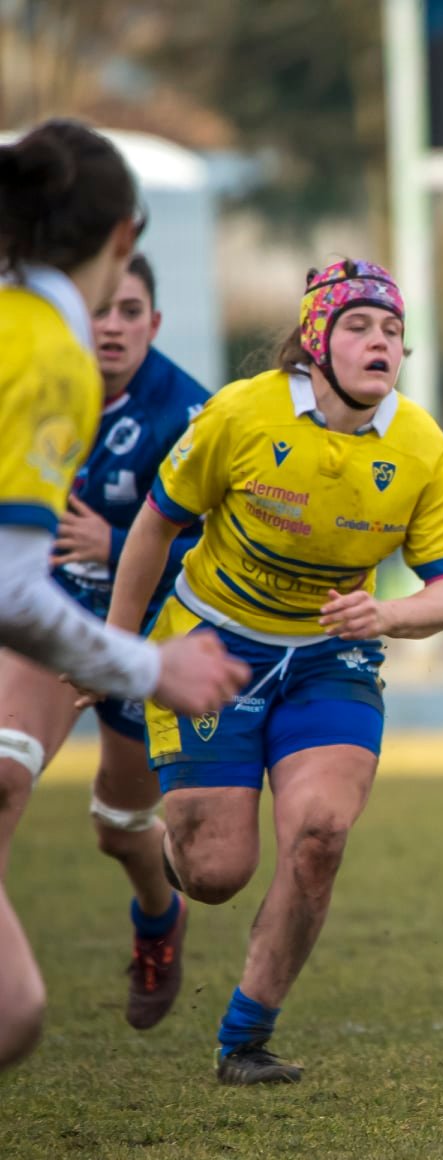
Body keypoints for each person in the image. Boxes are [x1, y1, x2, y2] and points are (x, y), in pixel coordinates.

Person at [104, 259, 443, 1084]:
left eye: (393, 331)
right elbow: (155, 529)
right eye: (359, 327)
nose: (381, 343)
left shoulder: (418, 443)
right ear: (315, 342)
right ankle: (167, 871)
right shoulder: (239, 415)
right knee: (217, 873)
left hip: (330, 662)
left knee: (320, 837)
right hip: (213, 647)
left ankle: (245, 1037)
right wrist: (119, 649)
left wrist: (386, 615)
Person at [0, 119, 244, 1071]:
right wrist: (145, 664)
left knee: (119, 825)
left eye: (133, 315)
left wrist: (145, 636)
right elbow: (16, 592)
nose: (111, 324)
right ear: (120, 239)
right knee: (8, 777)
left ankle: (157, 911)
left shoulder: (188, 411)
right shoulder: (47, 359)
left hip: (138, 623)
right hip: (63, 623)